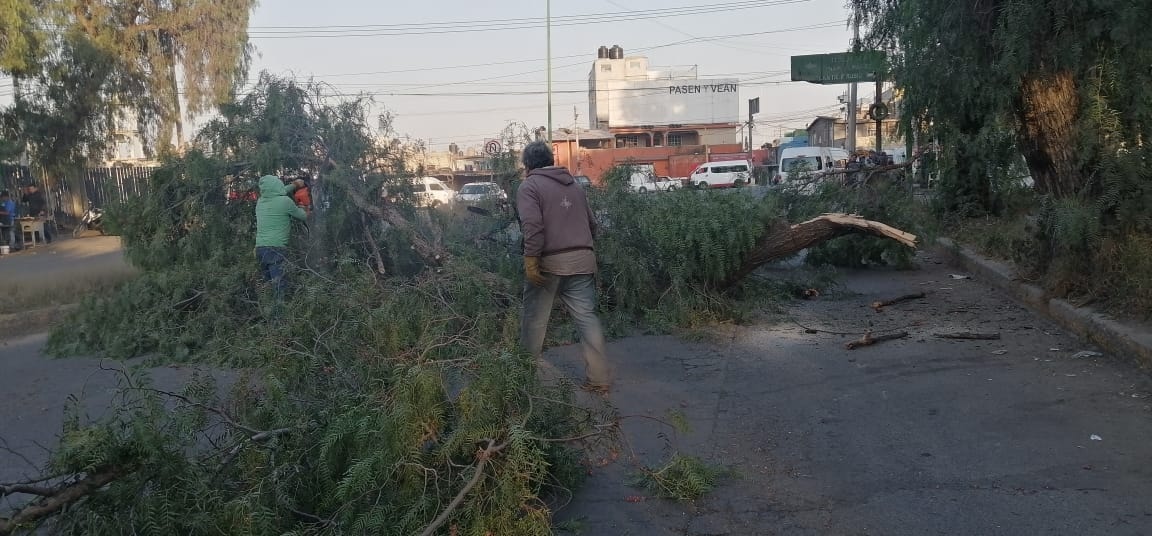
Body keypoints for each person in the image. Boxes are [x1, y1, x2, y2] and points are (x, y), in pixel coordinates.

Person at [516, 140, 611, 394]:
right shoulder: (576, 186)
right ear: (551, 160)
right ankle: (599, 380)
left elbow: (532, 227)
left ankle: (523, 380)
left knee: (534, 321)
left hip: (549, 263)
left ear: (527, 165)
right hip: (583, 261)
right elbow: (593, 225)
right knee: (587, 319)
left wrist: (531, 259)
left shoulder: (530, 186)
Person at [255, 175, 307, 300]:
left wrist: (295, 185)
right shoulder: (285, 202)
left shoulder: (260, 202)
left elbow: (279, 191)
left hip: (260, 250)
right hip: (276, 250)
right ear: (277, 186)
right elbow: (303, 216)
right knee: (280, 289)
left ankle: (268, 313)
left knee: (269, 287)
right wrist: (303, 204)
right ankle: (280, 318)